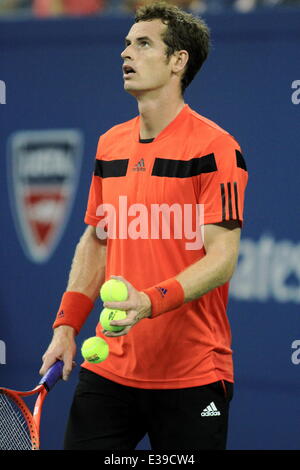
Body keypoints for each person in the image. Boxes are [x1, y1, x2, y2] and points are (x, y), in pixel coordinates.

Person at [40, 1, 248, 450]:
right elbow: (97, 240)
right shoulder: (109, 145)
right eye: (126, 44)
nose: (125, 53)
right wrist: (66, 326)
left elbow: (223, 258)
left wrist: (147, 302)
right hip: (109, 369)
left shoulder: (217, 149)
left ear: (178, 61)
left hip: (195, 378)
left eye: (143, 43)